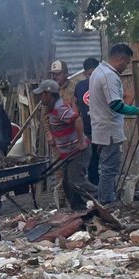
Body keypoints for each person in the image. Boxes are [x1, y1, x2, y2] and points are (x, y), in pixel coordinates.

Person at [88, 43, 139, 204]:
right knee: (109, 169)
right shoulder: (109, 76)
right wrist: (137, 111)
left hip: (101, 129)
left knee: (105, 167)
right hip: (109, 131)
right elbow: (116, 105)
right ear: (120, 59)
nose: (125, 66)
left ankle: (106, 198)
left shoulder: (98, 72)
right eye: (126, 62)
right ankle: (107, 201)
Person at [34, 79, 98, 210]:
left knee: (76, 181)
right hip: (69, 152)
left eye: (42, 94)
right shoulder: (51, 109)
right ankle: (78, 209)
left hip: (79, 151)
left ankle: (102, 197)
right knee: (67, 184)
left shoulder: (59, 108)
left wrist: (80, 142)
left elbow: (78, 120)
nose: (40, 97)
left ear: (48, 94)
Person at [73, 57, 101, 186]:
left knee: (105, 164)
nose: (92, 77)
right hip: (88, 132)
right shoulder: (80, 86)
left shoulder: (104, 84)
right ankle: (94, 193)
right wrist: (75, 119)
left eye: (95, 73)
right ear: (85, 74)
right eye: (89, 74)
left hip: (103, 131)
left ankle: (107, 192)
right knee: (91, 164)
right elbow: (76, 104)